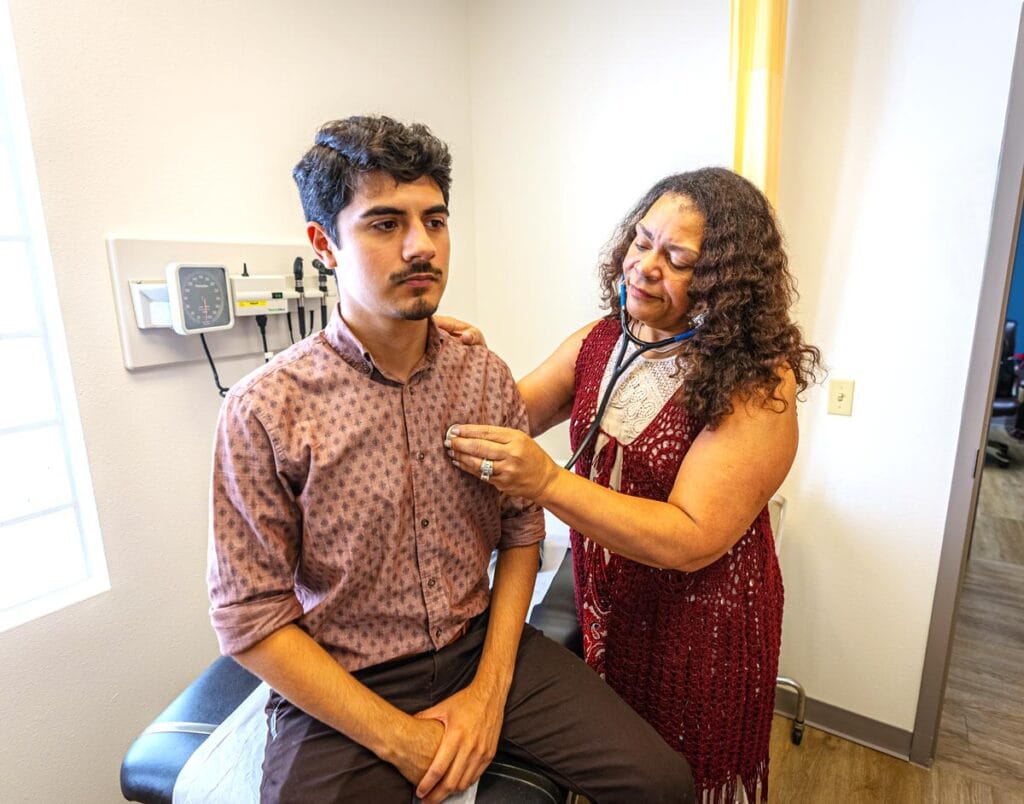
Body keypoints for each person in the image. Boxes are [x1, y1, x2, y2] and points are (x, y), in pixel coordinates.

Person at [206, 115, 695, 804]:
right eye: (384, 224)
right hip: (350, 674)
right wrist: (401, 739)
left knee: (662, 784)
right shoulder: (265, 410)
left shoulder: (481, 377)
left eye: (434, 221)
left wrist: (489, 693)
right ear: (324, 245)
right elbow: (249, 618)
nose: (420, 246)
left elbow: (522, 533)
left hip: (478, 645)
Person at [444, 168, 823, 802]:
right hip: (611, 604)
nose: (645, 266)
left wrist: (544, 483)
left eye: (677, 259)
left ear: (725, 282)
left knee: (687, 777)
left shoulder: (758, 384)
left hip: (701, 626)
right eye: (641, 242)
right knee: (625, 767)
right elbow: (508, 415)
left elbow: (690, 537)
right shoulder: (600, 342)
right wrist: (466, 365)